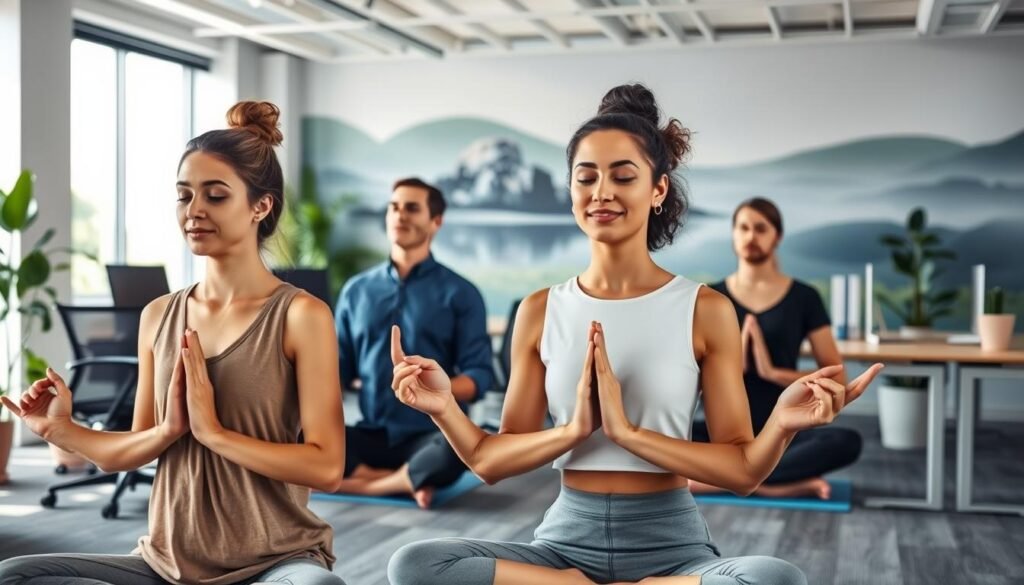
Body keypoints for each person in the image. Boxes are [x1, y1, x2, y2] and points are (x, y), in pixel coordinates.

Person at [385, 84, 883, 585]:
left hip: (674, 549)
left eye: (624, 177)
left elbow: (742, 470)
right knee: (415, 564)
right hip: (563, 545)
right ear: (571, 189)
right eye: (586, 178)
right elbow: (492, 461)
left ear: (658, 189)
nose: (602, 192)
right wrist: (454, 410)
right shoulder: (539, 310)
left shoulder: (705, 308)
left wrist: (777, 424)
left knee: (775, 579)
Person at [0, 102, 347, 585]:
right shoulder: (158, 315)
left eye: (216, 195)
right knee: (16, 575)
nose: (194, 211)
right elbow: (137, 445)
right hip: (165, 566)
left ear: (260, 206)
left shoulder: (300, 316)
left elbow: (327, 466)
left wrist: (215, 434)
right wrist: (60, 430)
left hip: (275, 566)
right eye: (184, 196)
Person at [332, 178, 493, 509]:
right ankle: (400, 480)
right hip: (372, 433)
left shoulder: (462, 293)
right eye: (394, 207)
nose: (400, 215)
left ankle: (365, 484)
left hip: (430, 434)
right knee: (297, 430)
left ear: (436, 221)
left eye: (411, 208)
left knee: (460, 447)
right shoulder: (355, 291)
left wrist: (437, 389)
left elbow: (480, 376)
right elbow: (338, 371)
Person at [689, 197, 862, 499]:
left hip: (784, 432)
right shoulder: (710, 298)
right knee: (656, 438)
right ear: (733, 235)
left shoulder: (804, 297)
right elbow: (690, 378)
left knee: (847, 441)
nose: (750, 237)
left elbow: (837, 378)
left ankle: (729, 481)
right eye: (743, 228)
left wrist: (772, 372)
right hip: (721, 434)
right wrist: (732, 369)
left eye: (760, 228)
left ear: (776, 237)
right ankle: (771, 484)